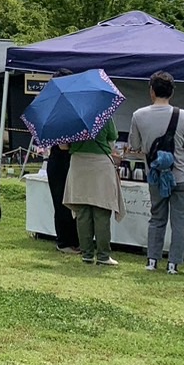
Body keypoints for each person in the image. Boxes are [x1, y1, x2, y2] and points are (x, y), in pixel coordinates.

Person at [127, 71, 184, 274]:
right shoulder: (183, 115)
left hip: (155, 176)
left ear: (151, 91)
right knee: (179, 222)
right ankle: (173, 264)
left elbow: (134, 144)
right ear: (172, 92)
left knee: (157, 218)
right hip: (181, 176)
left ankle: (152, 260)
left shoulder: (138, 115)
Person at [63, 112, 122, 267]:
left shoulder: (71, 117)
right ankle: (103, 255)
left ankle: (87, 254)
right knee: (102, 211)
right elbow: (111, 141)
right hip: (101, 164)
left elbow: (63, 145)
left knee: (82, 212)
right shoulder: (103, 114)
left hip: (78, 164)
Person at [41, 68, 81, 254]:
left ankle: (72, 240)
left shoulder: (59, 106)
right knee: (63, 203)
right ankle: (65, 242)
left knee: (67, 202)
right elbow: (63, 145)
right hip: (61, 159)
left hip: (60, 159)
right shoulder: (57, 109)